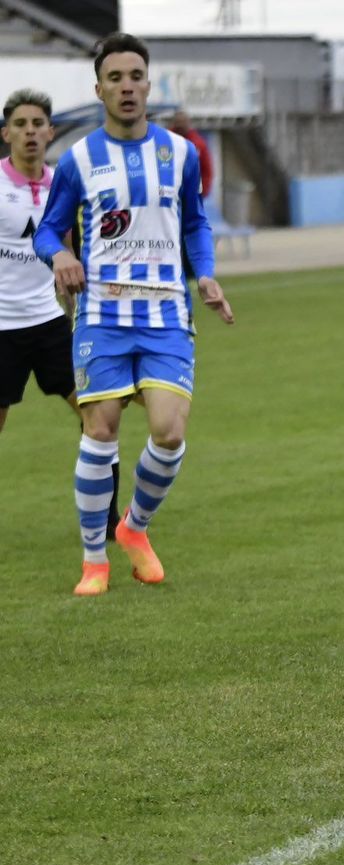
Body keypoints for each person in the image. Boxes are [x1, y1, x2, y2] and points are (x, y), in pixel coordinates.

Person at [33, 32, 234, 597]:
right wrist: (63, 254)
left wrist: (207, 273)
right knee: (101, 429)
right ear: (98, 89)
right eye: (115, 78)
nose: (127, 87)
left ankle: (134, 528)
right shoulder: (76, 159)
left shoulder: (181, 153)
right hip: (101, 313)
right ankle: (93, 561)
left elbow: (194, 223)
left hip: (167, 311)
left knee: (169, 433)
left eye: (135, 76)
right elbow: (48, 228)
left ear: (149, 84)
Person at [1, 90, 77, 437]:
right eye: (20, 124)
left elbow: (69, 251)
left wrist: (75, 309)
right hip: (3, 326)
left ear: (51, 131)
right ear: (6, 134)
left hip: (50, 323)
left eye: (37, 123)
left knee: (97, 416)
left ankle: (101, 490)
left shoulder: (64, 183)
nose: (29, 131)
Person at [165, 109, 212, 199]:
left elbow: (207, 169)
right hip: (170, 194)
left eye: (183, 122)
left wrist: (203, 192)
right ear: (173, 123)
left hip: (192, 194)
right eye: (178, 122)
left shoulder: (198, 143)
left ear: (188, 123)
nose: (180, 125)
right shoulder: (165, 140)